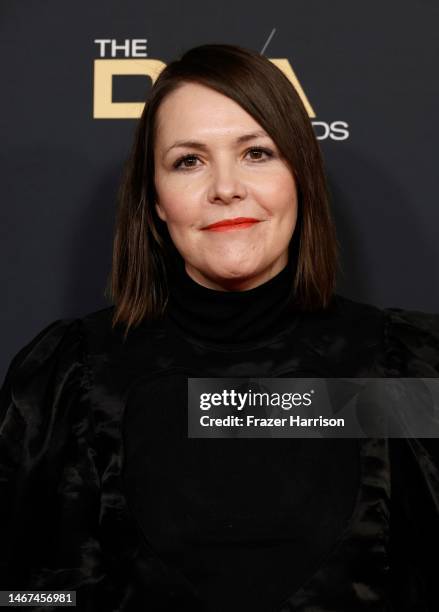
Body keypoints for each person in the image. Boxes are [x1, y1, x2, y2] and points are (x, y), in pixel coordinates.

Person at [1, 43, 439, 612]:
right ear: (155, 200)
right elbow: (23, 596)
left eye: (257, 153)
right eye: (189, 160)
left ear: (300, 175)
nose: (225, 187)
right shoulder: (70, 380)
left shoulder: (402, 368)